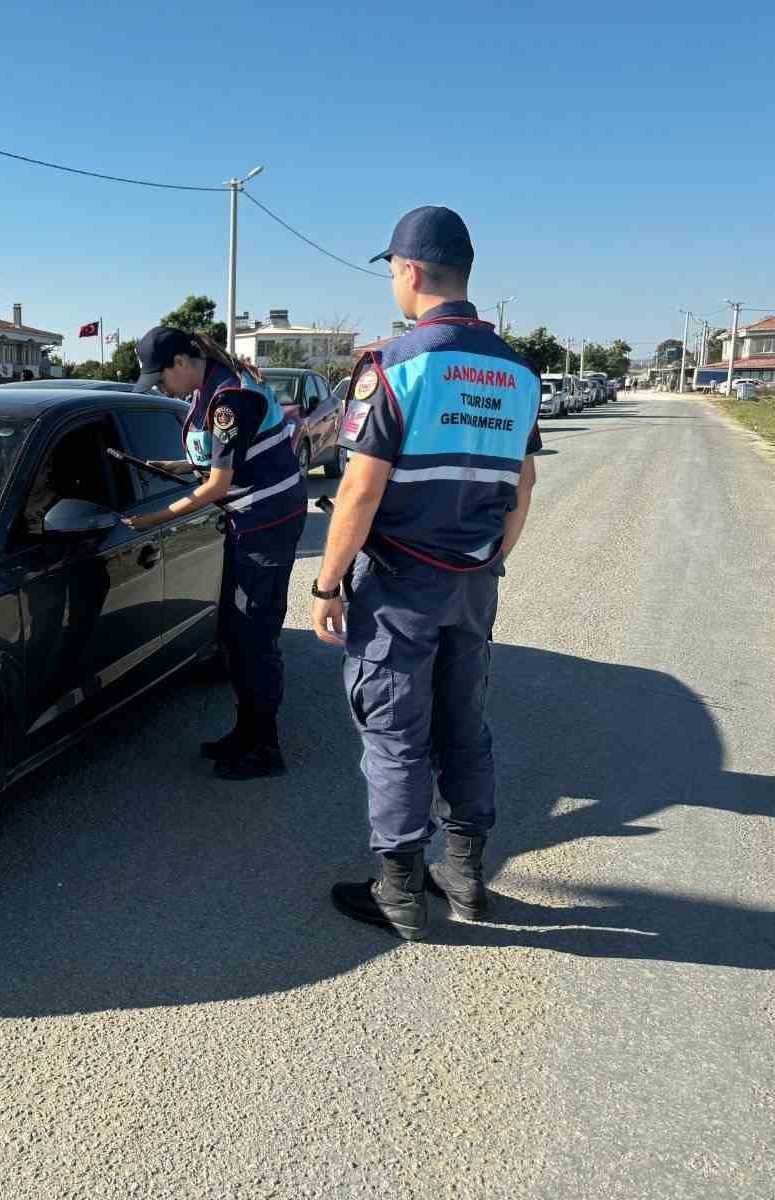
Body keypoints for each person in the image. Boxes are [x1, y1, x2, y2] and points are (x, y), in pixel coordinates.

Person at [308, 206, 541, 941]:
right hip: (475, 582)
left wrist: (326, 582)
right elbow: (524, 485)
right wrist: (489, 560)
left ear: (408, 271)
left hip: (402, 584)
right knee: (464, 725)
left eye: (391, 272)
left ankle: (400, 893)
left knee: (396, 734)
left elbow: (361, 488)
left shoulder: (396, 366)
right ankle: (466, 878)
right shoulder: (517, 371)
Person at [123, 326, 307, 780]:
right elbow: (227, 456)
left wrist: (155, 518)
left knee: (253, 638)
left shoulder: (229, 400)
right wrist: (179, 465)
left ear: (182, 363)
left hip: (266, 525)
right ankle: (246, 732)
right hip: (256, 521)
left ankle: (264, 748)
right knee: (235, 629)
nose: (163, 389)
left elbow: (219, 484)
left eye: (161, 380)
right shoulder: (218, 387)